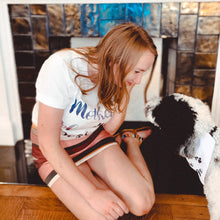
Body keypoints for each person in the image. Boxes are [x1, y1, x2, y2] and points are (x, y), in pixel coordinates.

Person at [30, 22, 158, 220]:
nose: (139, 80)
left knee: (142, 204)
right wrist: (92, 193)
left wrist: (126, 87)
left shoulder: (118, 77)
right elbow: (48, 144)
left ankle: (131, 140)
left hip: (91, 138)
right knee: (102, 216)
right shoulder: (61, 67)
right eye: (137, 71)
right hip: (54, 149)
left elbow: (108, 128)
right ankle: (90, 173)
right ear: (117, 60)